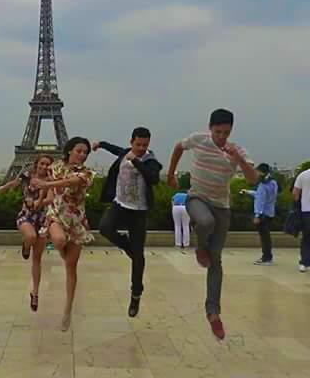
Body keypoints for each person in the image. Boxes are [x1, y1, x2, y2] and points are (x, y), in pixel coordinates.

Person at [166, 109, 258, 340]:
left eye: (226, 133)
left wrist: (238, 159)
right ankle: (200, 246)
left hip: (222, 207)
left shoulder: (237, 150)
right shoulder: (199, 140)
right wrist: (171, 174)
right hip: (197, 198)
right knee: (205, 221)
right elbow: (178, 147)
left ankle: (213, 313)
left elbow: (252, 179)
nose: (221, 137)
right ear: (210, 128)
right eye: (218, 132)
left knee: (215, 262)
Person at [93, 127, 162, 318]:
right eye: (138, 144)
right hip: (120, 205)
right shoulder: (125, 153)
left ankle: (136, 295)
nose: (141, 148)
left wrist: (137, 161)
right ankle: (126, 245)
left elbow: (153, 178)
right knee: (105, 228)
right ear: (131, 142)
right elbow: (114, 149)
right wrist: (100, 144)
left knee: (138, 257)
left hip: (138, 212)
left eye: (145, 145)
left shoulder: (150, 161)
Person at [33, 137, 94, 331]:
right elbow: (52, 192)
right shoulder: (55, 167)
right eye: (79, 150)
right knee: (59, 241)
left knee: (71, 266)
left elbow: (70, 181)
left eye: (85, 152)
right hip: (57, 215)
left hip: (76, 220)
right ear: (69, 150)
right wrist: (41, 200)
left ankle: (67, 309)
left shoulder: (86, 173)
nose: (82, 155)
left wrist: (45, 185)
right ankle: (59, 246)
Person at [0, 154, 53, 311]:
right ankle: (26, 245)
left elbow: (50, 198)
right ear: (36, 164)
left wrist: (37, 202)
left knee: (37, 259)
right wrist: (3, 188)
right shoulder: (27, 175)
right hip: (26, 215)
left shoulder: (51, 181)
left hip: (42, 219)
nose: (44, 167)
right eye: (42, 163)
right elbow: (14, 183)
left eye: (47, 165)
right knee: (30, 236)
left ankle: (35, 293)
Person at [240, 163, 278, 265]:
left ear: (262, 172)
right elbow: (261, 195)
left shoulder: (263, 185)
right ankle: (268, 257)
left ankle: (266, 258)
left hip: (262, 215)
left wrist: (257, 215)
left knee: (264, 238)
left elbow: (261, 201)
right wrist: (248, 192)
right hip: (270, 212)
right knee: (266, 237)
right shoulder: (273, 183)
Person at [293, 168, 310, 272]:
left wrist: (298, 204)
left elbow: (295, 193)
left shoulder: (303, 174)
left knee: (306, 237)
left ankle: (304, 262)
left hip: (306, 210)